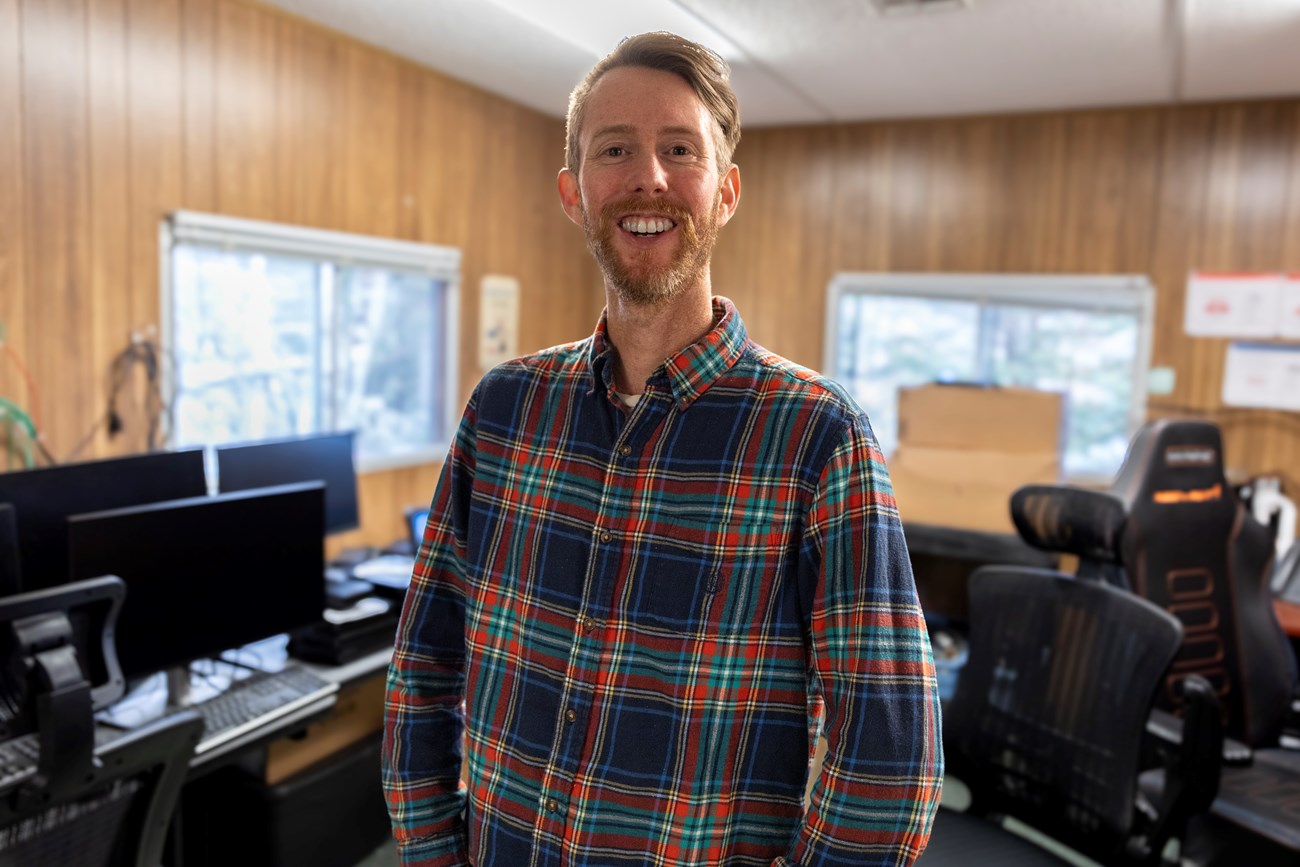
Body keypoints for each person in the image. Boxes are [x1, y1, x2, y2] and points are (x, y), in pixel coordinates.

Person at [383, 30, 942, 866]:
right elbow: (423, 668)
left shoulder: (818, 437)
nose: (648, 176)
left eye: (680, 149)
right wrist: (432, 850)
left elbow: (889, 763)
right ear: (574, 193)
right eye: (616, 149)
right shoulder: (504, 410)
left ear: (725, 191)